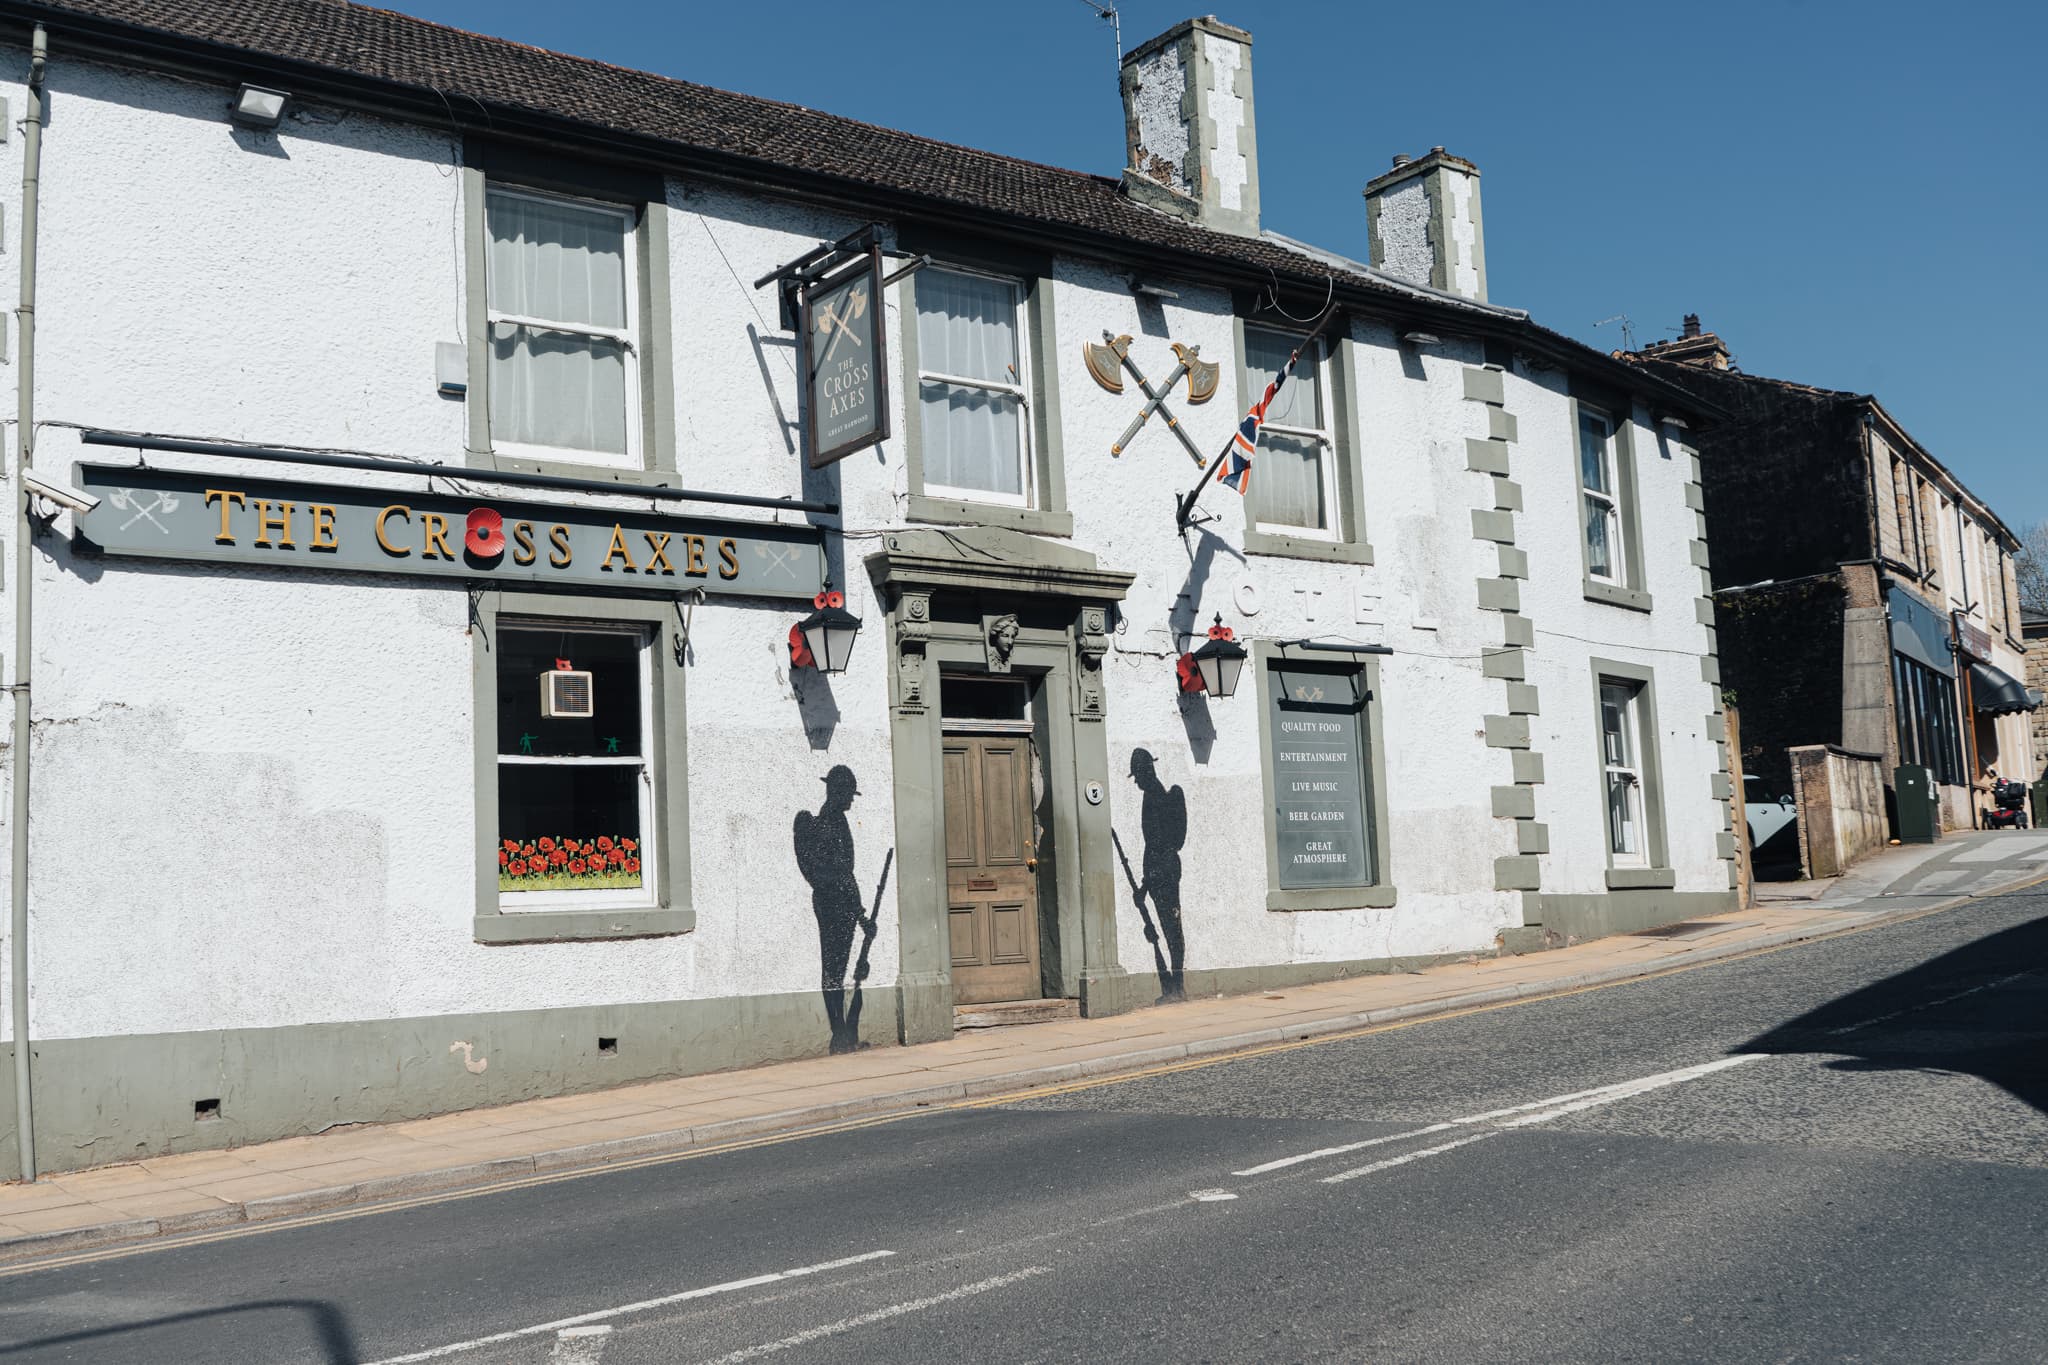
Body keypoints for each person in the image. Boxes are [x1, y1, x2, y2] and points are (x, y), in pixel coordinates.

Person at [795, 765, 865, 1052]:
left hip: (836, 902)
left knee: (835, 967)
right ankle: (840, 1035)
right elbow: (842, 871)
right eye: (849, 793)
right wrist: (860, 914)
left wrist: (859, 912)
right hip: (835, 902)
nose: (851, 799)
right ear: (837, 791)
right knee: (834, 969)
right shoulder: (829, 822)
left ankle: (843, 1034)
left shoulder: (833, 820)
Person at [1129, 749, 1188, 1001]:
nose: (1137, 781)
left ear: (1146, 771)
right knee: (1169, 929)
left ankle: (1176, 988)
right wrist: (1145, 883)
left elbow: (1158, 844)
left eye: (1138, 775)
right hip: (1159, 872)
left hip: (1162, 872)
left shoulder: (1155, 797)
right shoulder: (1152, 795)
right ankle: (1175, 987)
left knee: (1171, 929)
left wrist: (1148, 881)